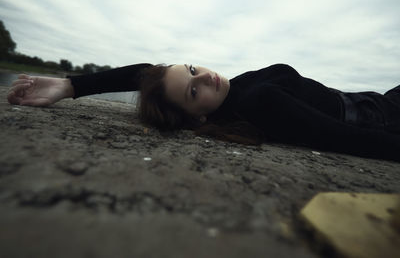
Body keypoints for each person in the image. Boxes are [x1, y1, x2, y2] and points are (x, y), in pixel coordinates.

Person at [7, 63, 400, 162]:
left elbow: (149, 74)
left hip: (379, 99)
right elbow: (348, 139)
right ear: (198, 118)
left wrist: (71, 86)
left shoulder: (237, 91)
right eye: (194, 90)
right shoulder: (259, 103)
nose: (205, 77)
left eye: (193, 69)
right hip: (384, 115)